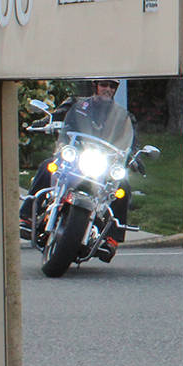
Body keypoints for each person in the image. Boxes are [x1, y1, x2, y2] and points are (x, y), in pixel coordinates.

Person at [19, 79, 136, 258]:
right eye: (104, 85)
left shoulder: (121, 115)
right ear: (95, 86)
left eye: (112, 86)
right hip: (73, 156)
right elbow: (57, 115)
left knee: (122, 186)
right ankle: (26, 217)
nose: (108, 89)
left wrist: (135, 155)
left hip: (101, 163)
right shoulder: (77, 104)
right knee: (48, 167)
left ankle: (111, 239)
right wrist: (44, 122)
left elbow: (131, 139)